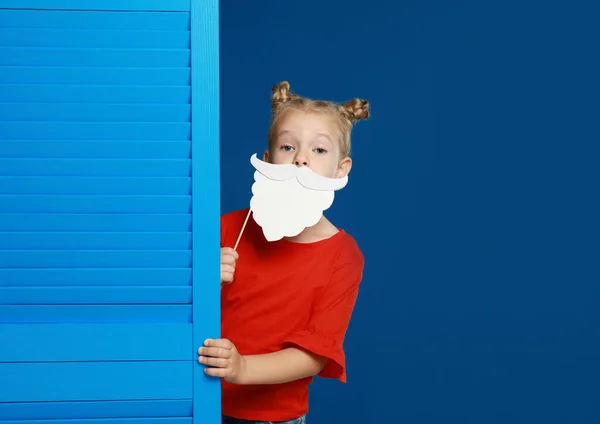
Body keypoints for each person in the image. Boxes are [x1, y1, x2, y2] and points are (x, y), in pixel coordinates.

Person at [197, 81, 370, 423]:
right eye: (288, 146)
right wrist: (204, 282)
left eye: (319, 151)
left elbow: (314, 354)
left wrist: (242, 367)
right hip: (200, 403)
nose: (301, 159)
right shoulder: (224, 230)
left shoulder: (343, 256)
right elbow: (175, 305)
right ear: (267, 160)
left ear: (341, 169)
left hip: (275, 417)